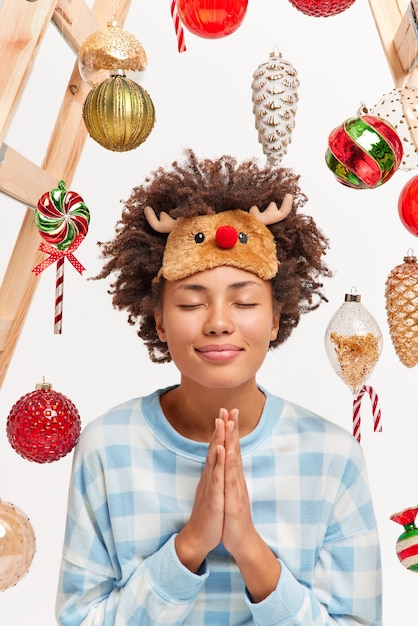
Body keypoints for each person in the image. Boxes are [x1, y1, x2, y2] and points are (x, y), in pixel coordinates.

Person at [56, 150, 382, 625]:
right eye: (192, 303)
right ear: (159, 320)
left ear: (276, 317)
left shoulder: (333, 457)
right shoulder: (107, 447)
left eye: (245, 301)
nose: (219, 323)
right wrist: (189, 546)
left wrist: (249, 549)